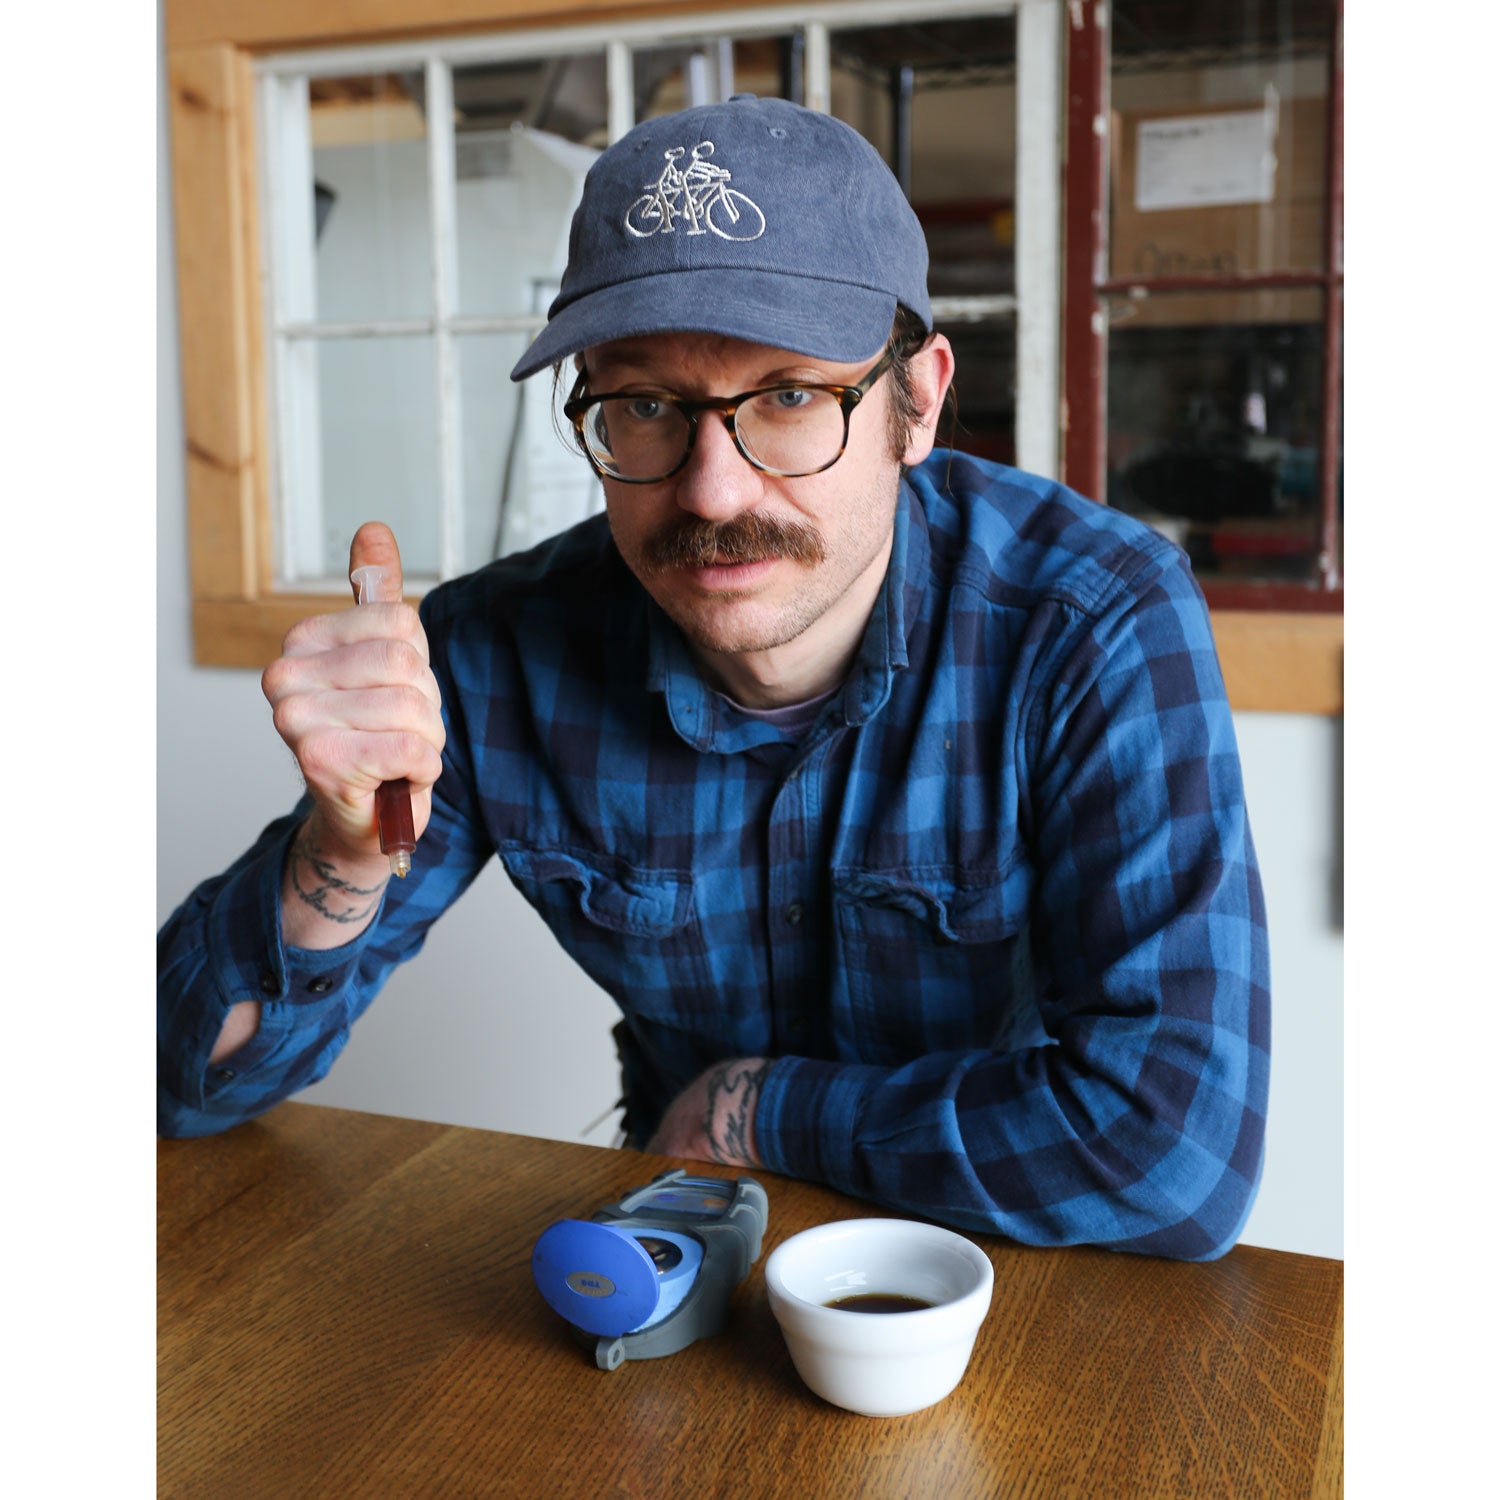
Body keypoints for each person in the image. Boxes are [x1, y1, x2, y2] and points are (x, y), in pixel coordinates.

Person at [158, 95, 1269, 1261]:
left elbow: (1175, 1155)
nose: (711, 491)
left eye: (788, 398)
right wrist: (339, 855)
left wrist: (751, 1109)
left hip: (1010, 1263)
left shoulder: (1091, 618)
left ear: (920, 399)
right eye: (644, 406)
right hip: (685, 1254)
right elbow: (186, 1084)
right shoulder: (494, 655)